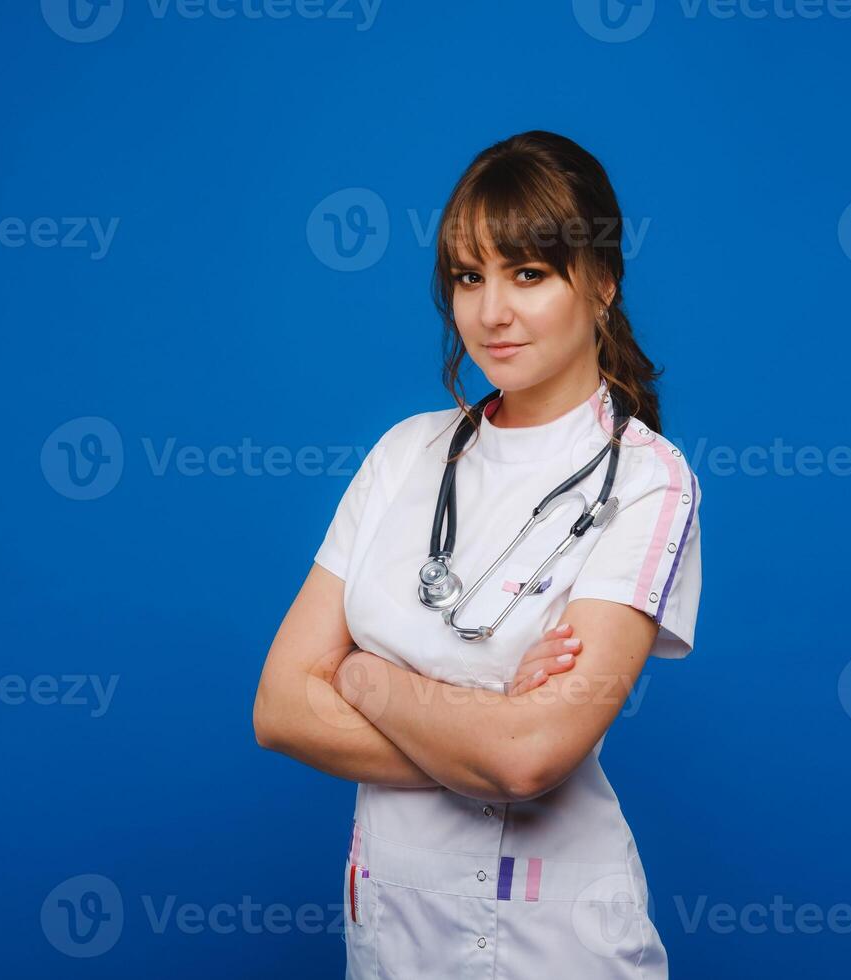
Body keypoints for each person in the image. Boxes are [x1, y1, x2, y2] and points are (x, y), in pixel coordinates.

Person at [253, 130, 702, 978]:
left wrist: (356, 675)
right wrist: (488, 726)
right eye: (470, 277)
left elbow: (530, 759)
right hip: (390, 937)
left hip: (556, 946)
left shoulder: (648, 481)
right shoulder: (405, 455)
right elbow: (278, 706)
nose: (491, 312)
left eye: (528, 274)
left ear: (601, 280)